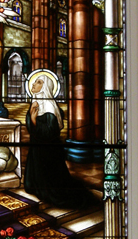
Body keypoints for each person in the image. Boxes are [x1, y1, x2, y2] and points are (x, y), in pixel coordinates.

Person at [23, 69, 92, 208]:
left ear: (46, 87)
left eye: (39, 82)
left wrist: (34, 120)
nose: (34, 85)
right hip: (37, 148)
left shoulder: (49, 107)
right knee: (33, 184)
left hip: (49, 152)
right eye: (34, 82)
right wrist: (31, 119)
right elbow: (31, 127)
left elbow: (50, 132)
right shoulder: (35, 103)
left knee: (53, 188)